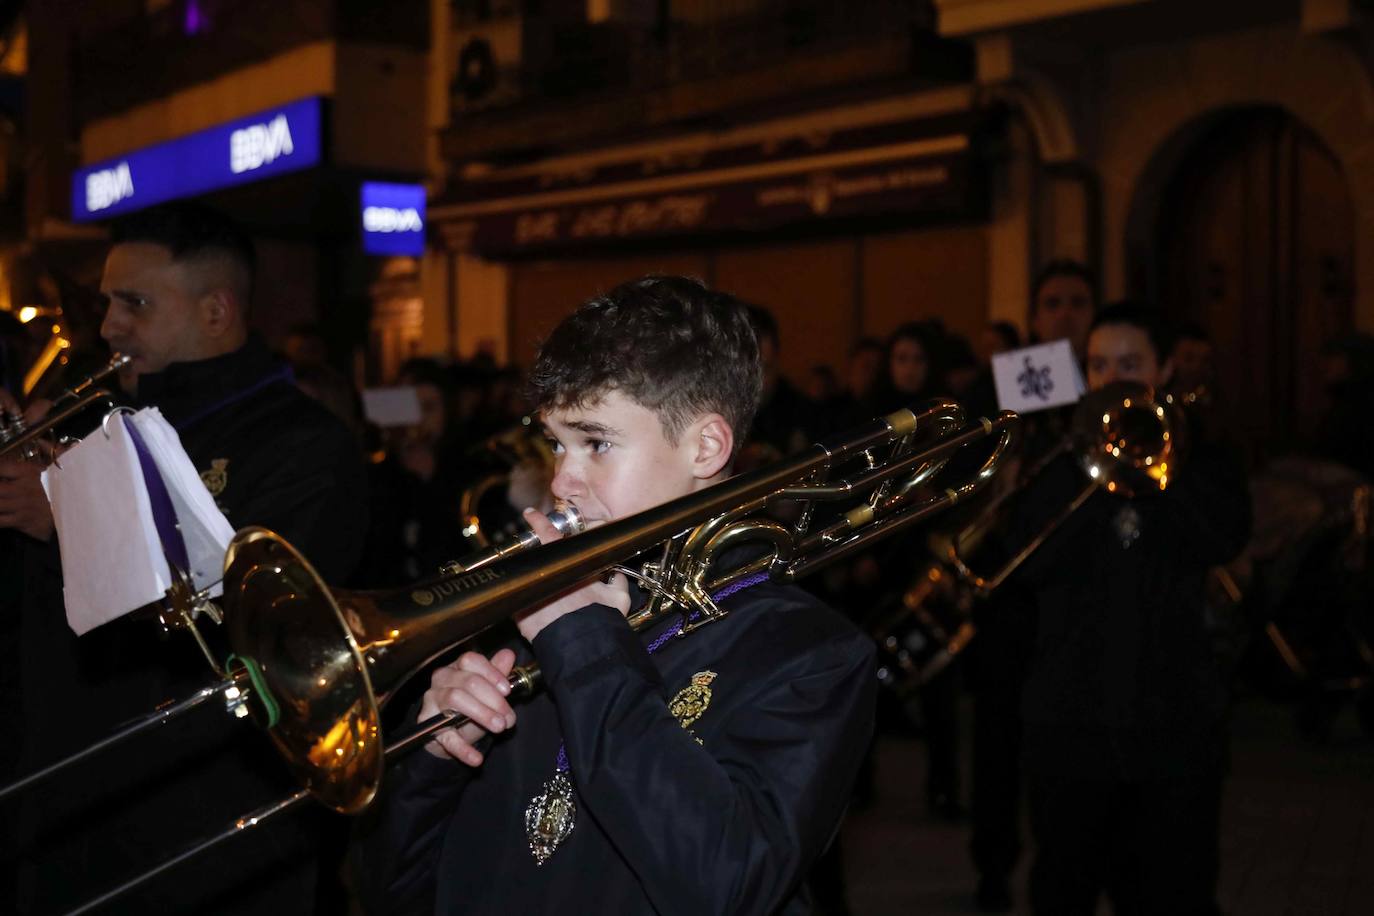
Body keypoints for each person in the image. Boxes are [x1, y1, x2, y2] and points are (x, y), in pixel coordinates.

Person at [354, 275, 877, 915]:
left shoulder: (809, 653)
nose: (563, 480)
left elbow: (727, 884)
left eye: (596, 443)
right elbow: (394, 896)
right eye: (556, 444)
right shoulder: (523, 627)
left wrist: (582, 644)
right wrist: (432, 764)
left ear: (706, 446)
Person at [2, 200, 369, 914]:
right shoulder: (96, 418)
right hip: (65, 806)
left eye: (134, 303)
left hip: (210, 826)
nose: (109, 326)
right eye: (108, 302)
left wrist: (68, 522)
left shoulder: (305, 444)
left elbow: (253, 628)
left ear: (215, 311)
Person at [1010, 302, 1250, 914]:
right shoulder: (1058, 464)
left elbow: (1223, 537)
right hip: (1071, 724)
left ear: (1164, 369)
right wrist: (1080, 468)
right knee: (1062, 888)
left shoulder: (1204, 456)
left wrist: (1161, 467)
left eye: (1130, 363)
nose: (1112, 377)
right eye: (1098, 365)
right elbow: (1026, 567)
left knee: (1177, 893)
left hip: (1174, 726)